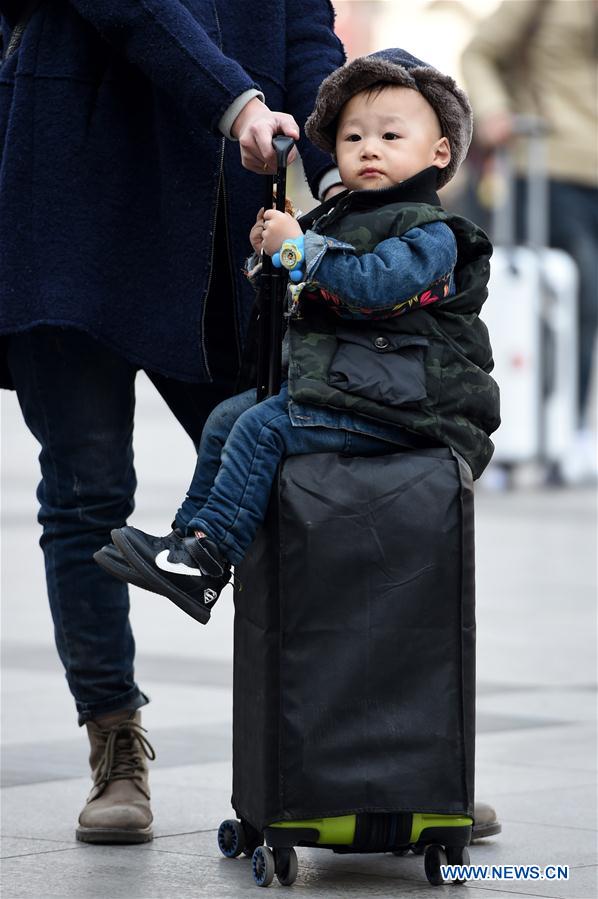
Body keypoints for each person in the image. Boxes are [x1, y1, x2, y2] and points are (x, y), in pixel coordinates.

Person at [97, 52, 502, 847]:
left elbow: (378, 284)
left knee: (263, 425)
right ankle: (190, 546)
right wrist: (274, 252)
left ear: (440, 153)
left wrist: (301, 253)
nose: (369, 149)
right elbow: (311, 288)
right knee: (228, 419)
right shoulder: (339, 219)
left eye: (391, 134)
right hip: (363, 393)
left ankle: (207, 554)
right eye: (352, 137)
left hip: (414, 409)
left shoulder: (433, 232)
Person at [0, 0, 346, 843]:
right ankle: (114, 740)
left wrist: (342, 167)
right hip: (68, 179)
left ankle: (353, 750)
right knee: (85, 488)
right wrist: (235, 102)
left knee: (285, 475)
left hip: (220, 201)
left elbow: (302, 28)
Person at [461, 0, 598, 482]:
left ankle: (569, 431)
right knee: (567, 299)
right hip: (550, 165)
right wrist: (497, 112)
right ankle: (508, 433)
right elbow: (479, 52)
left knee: (587, 307)